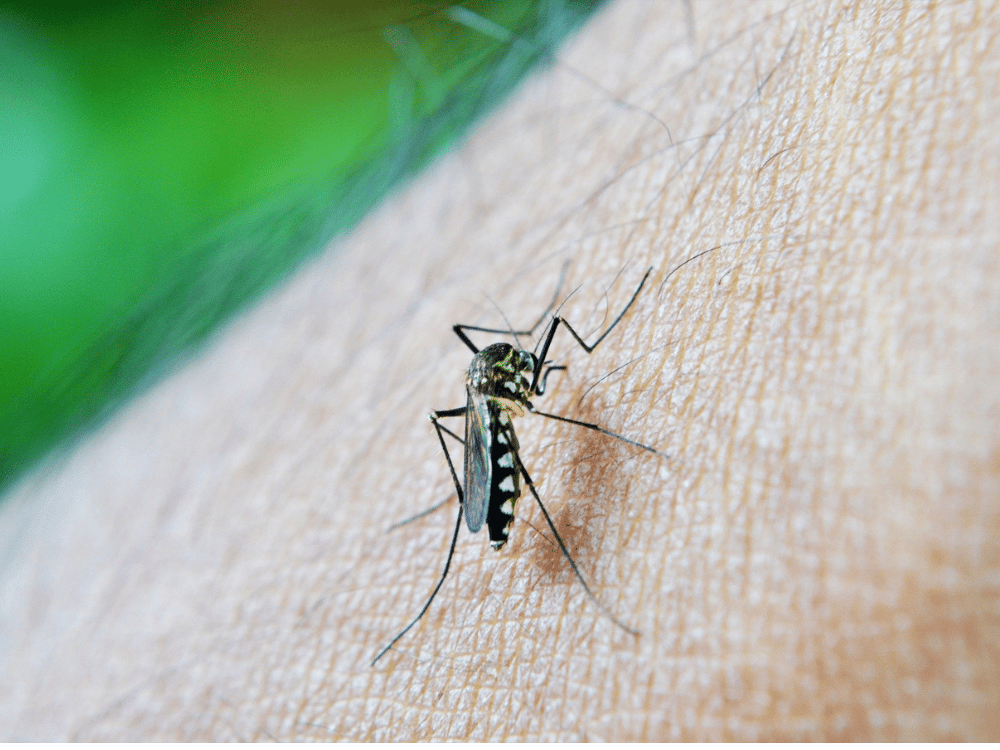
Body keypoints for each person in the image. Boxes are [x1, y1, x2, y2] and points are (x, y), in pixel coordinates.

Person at [2, 0, 997, 740]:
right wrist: (577, 430)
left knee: (499, 413)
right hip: (499, 478)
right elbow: (515, 409)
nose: (532, 369)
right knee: (517, 445)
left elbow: (515, 373)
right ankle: (447, 560)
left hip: (484, 429)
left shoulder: (500, 372)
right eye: (520, 367)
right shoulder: (499, 402)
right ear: (510, 371)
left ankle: (462, 535)